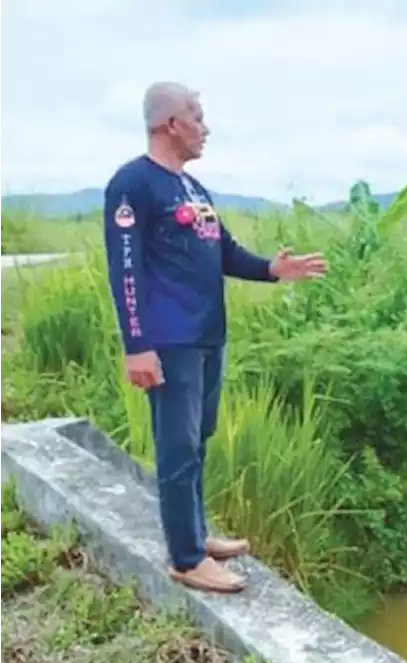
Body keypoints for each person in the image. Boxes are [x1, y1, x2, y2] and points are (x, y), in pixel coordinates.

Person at [102, 81, 327, 594]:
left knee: (196, 441)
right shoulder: (133, 184)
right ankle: (185, 558)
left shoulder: (193, 190)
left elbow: (223, 253)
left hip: (208, 337)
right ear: (170, 124)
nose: (206, 128)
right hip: (170, 340)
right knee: (176, 447)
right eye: (197, 117)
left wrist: (273, 268)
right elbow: (126, 269)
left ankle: (197, 534)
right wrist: (137, 345)